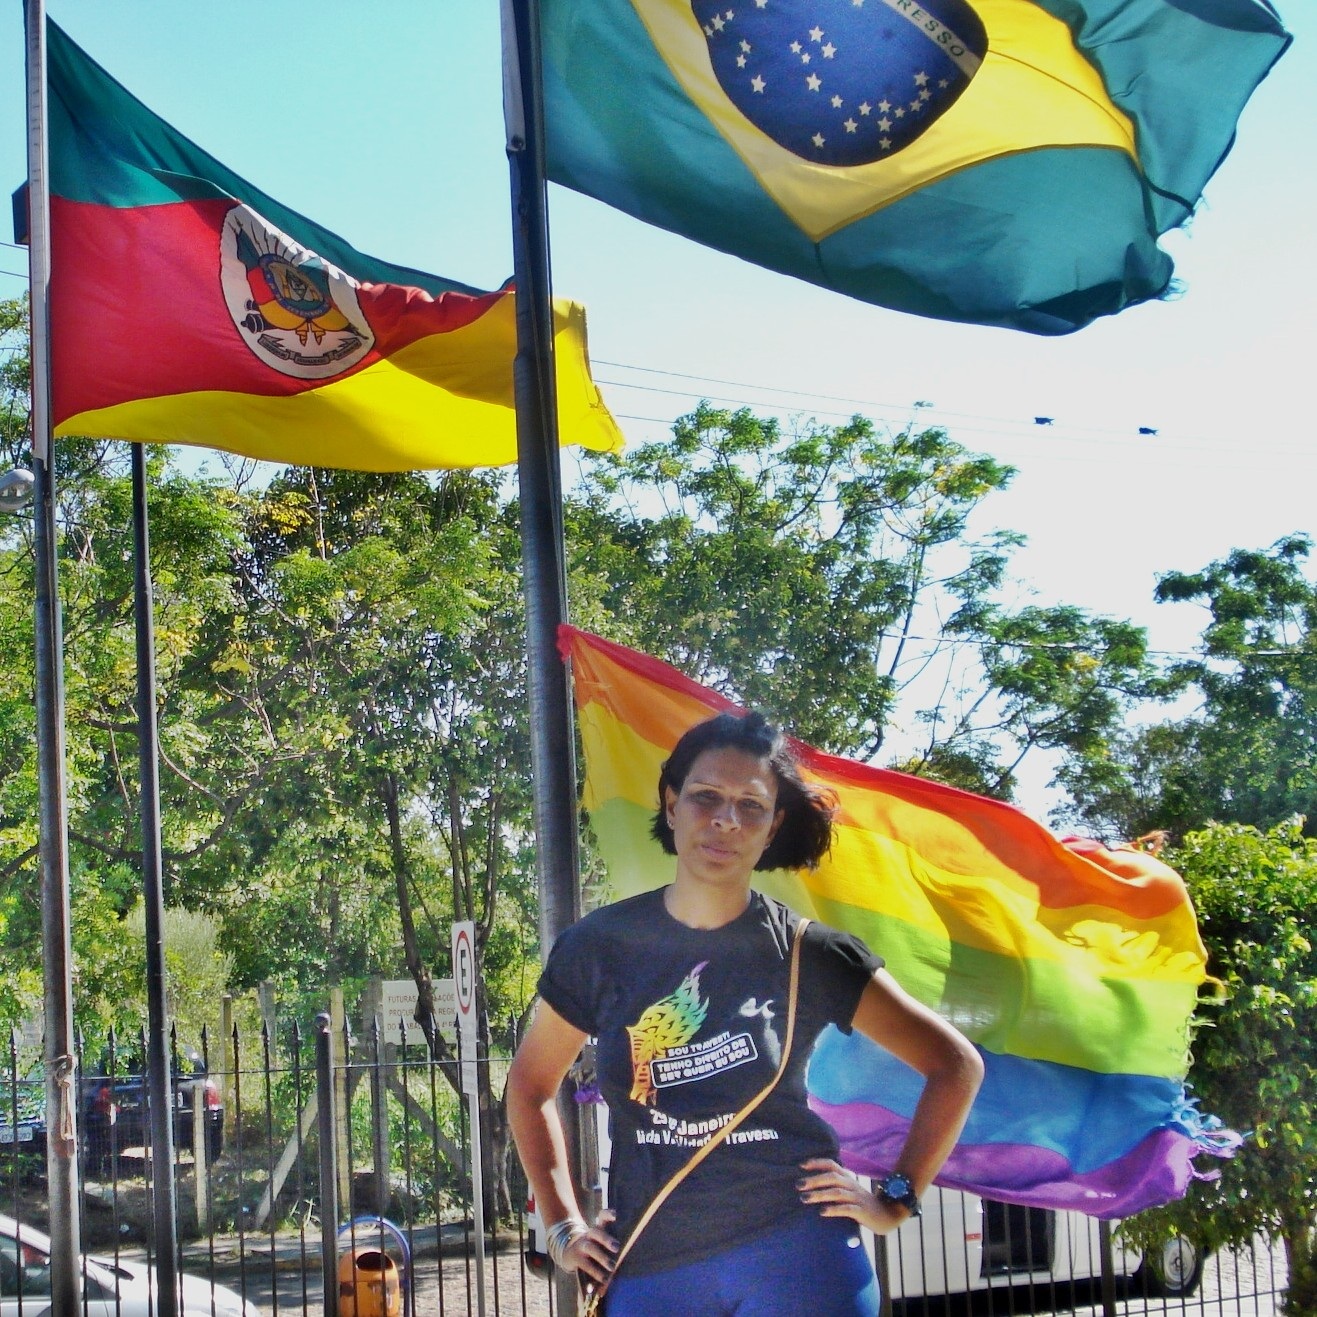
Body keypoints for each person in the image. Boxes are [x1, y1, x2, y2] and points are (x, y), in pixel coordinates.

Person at [507, 711, 984, 1316]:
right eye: (706, 797)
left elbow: (955, 1065)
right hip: (651, 1260)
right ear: (671, 802)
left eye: (750, 806)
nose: (725, 820)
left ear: (771, 825)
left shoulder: (811, 954)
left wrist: (894, 1198)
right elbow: (528, 1086)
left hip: (798, 1257)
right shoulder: (599, 947)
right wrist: (563, 1229)